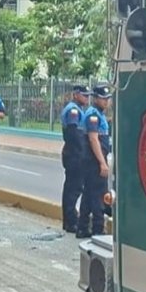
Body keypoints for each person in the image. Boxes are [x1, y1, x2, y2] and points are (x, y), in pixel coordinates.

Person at [77, 85, 113, 239]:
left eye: (107, 99)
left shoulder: (99, 114)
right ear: (96, 98)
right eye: (103, 98)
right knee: (99, 195)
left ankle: (82, 227)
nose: (106, 101)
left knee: (88, 194)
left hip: (92, 161)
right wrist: (102, 163)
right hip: (94, 161)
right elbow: (93, 139)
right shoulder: (93, 115)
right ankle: (98, 229)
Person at [60, 85, 89, 233]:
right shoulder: (73, 110)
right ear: (76, 95)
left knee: (72, 187)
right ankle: (71, 222)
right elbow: (74, 134)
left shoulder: (77, 109)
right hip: (74, 154)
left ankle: (69, 220)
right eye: (84, 95)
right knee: (74, 188)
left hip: (73, 153)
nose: (87, 98)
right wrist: (83, 152)